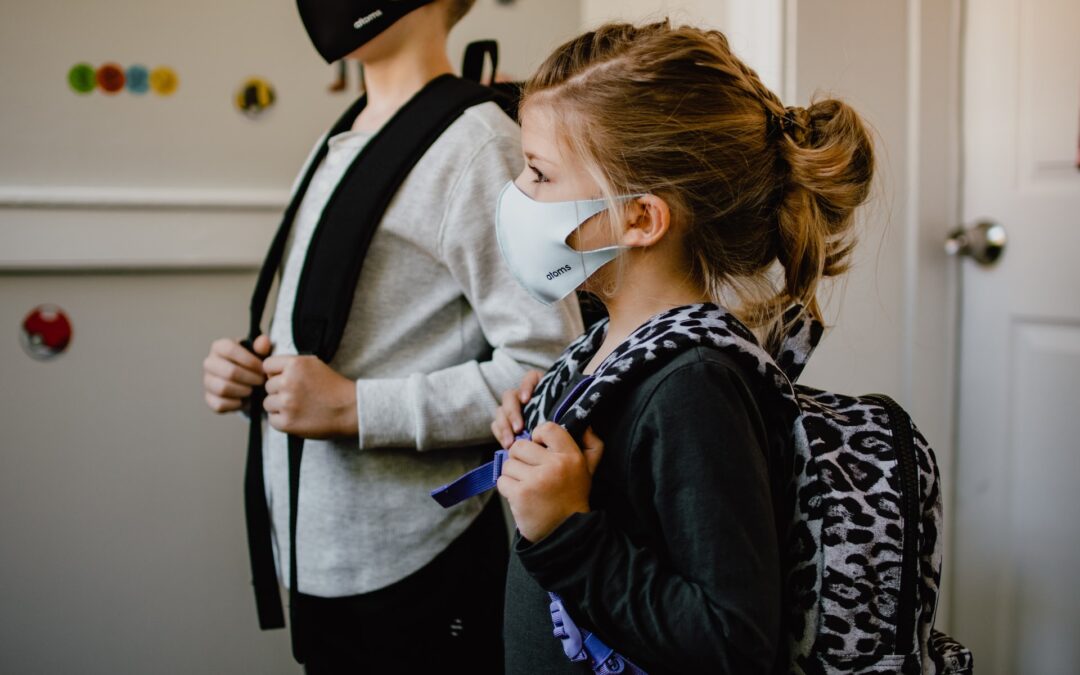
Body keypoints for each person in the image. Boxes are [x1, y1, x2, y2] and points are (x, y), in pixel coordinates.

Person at [201, 1, 582, 672]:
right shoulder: (344, 137)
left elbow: (547, 363)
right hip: (317, 550)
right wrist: (251, 366)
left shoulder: (477, 146)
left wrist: (354, 406)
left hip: (416, 558)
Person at [489, 20, 874, 674]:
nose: (518, 194)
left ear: (641, 217)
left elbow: (732, 642)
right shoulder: (608, 343)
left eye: (539, 173)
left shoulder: (693, 385)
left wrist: (567, 533)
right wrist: (545, 416)